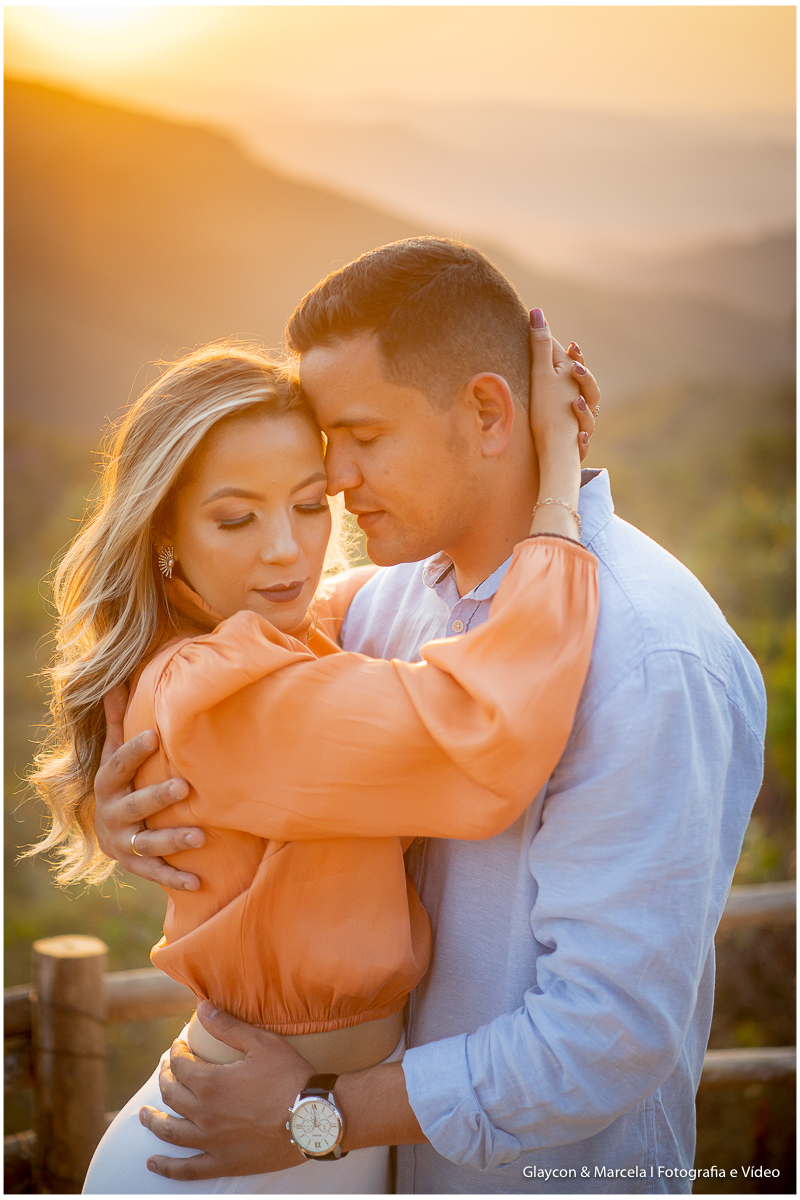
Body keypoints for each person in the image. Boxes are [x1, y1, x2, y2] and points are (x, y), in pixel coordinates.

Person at [93, 239, 766, 1194]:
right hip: (319, 1159)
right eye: (328, 441)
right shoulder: (392, 600)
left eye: (360, 436)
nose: (334, 478)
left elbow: (606, 1036)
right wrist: (122, 807)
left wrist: (318, 1113)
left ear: (491, 410)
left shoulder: (651, 656)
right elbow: (233, 685)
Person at [28, 320, 597, 1193]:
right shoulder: (226, 692)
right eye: (235, 518)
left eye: (307, 503)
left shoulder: (267, 640)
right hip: (229, 1160)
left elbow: (357, 594)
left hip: (307, 1130)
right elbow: (484, 733)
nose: (287, 550)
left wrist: (479, 455)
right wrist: (557, 488)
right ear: (167, 533)